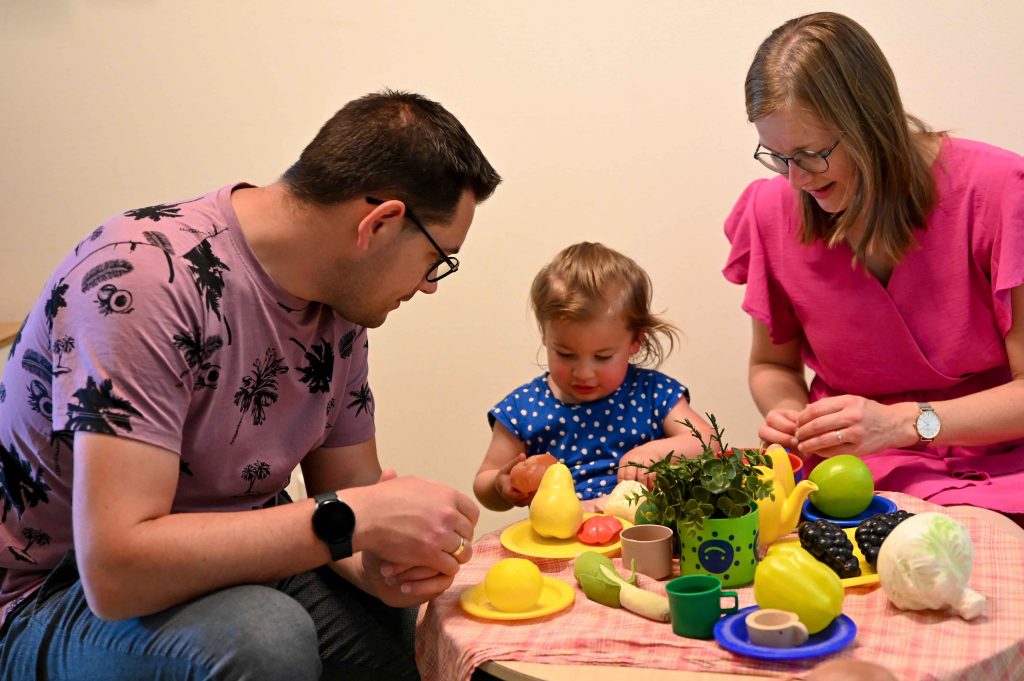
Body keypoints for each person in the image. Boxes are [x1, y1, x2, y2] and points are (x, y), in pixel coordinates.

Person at [0, 89, 501, 680]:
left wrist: (386, 568)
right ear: (381, 222)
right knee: (260, 635)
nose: (429, 285)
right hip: (60, 591)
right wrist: (355, 519)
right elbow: (117, 572)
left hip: (236, 566)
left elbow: (345, 499)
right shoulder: (143, 279)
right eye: (437, 258)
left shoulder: (338, 309)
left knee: (384, 614)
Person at [723, 12, 1024, 531]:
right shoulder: (771, 212)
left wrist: (904, 424)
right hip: (851, 476)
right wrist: (796, 418)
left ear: (871, 121)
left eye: (811, 154)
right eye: (776, 156)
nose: (796, 180)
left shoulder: (998, 192)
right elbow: (771, 365)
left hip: (1003, 470)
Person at [474, 242, 712, 510]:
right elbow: (483, 482)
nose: (584, 373)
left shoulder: (652, 392)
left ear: (635, 340)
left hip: (643, 535)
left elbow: (708, 442)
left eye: (603, 357)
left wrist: (653, 452)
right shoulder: (523, 408)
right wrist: (501, 484)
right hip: (561, 541)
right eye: (565, 353)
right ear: (545, 334)